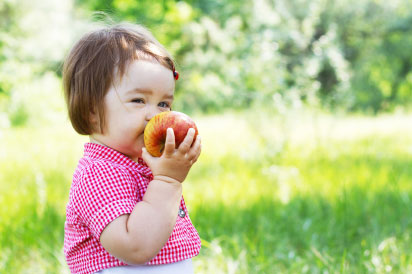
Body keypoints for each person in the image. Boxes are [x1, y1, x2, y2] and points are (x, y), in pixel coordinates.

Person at [62, 22, 202, 274]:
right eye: (138, 100)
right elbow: (135, 247)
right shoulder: (98, 174)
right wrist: (168, 181)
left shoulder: (144, 167)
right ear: (92, 111)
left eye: (163, 104)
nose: (155, 115)